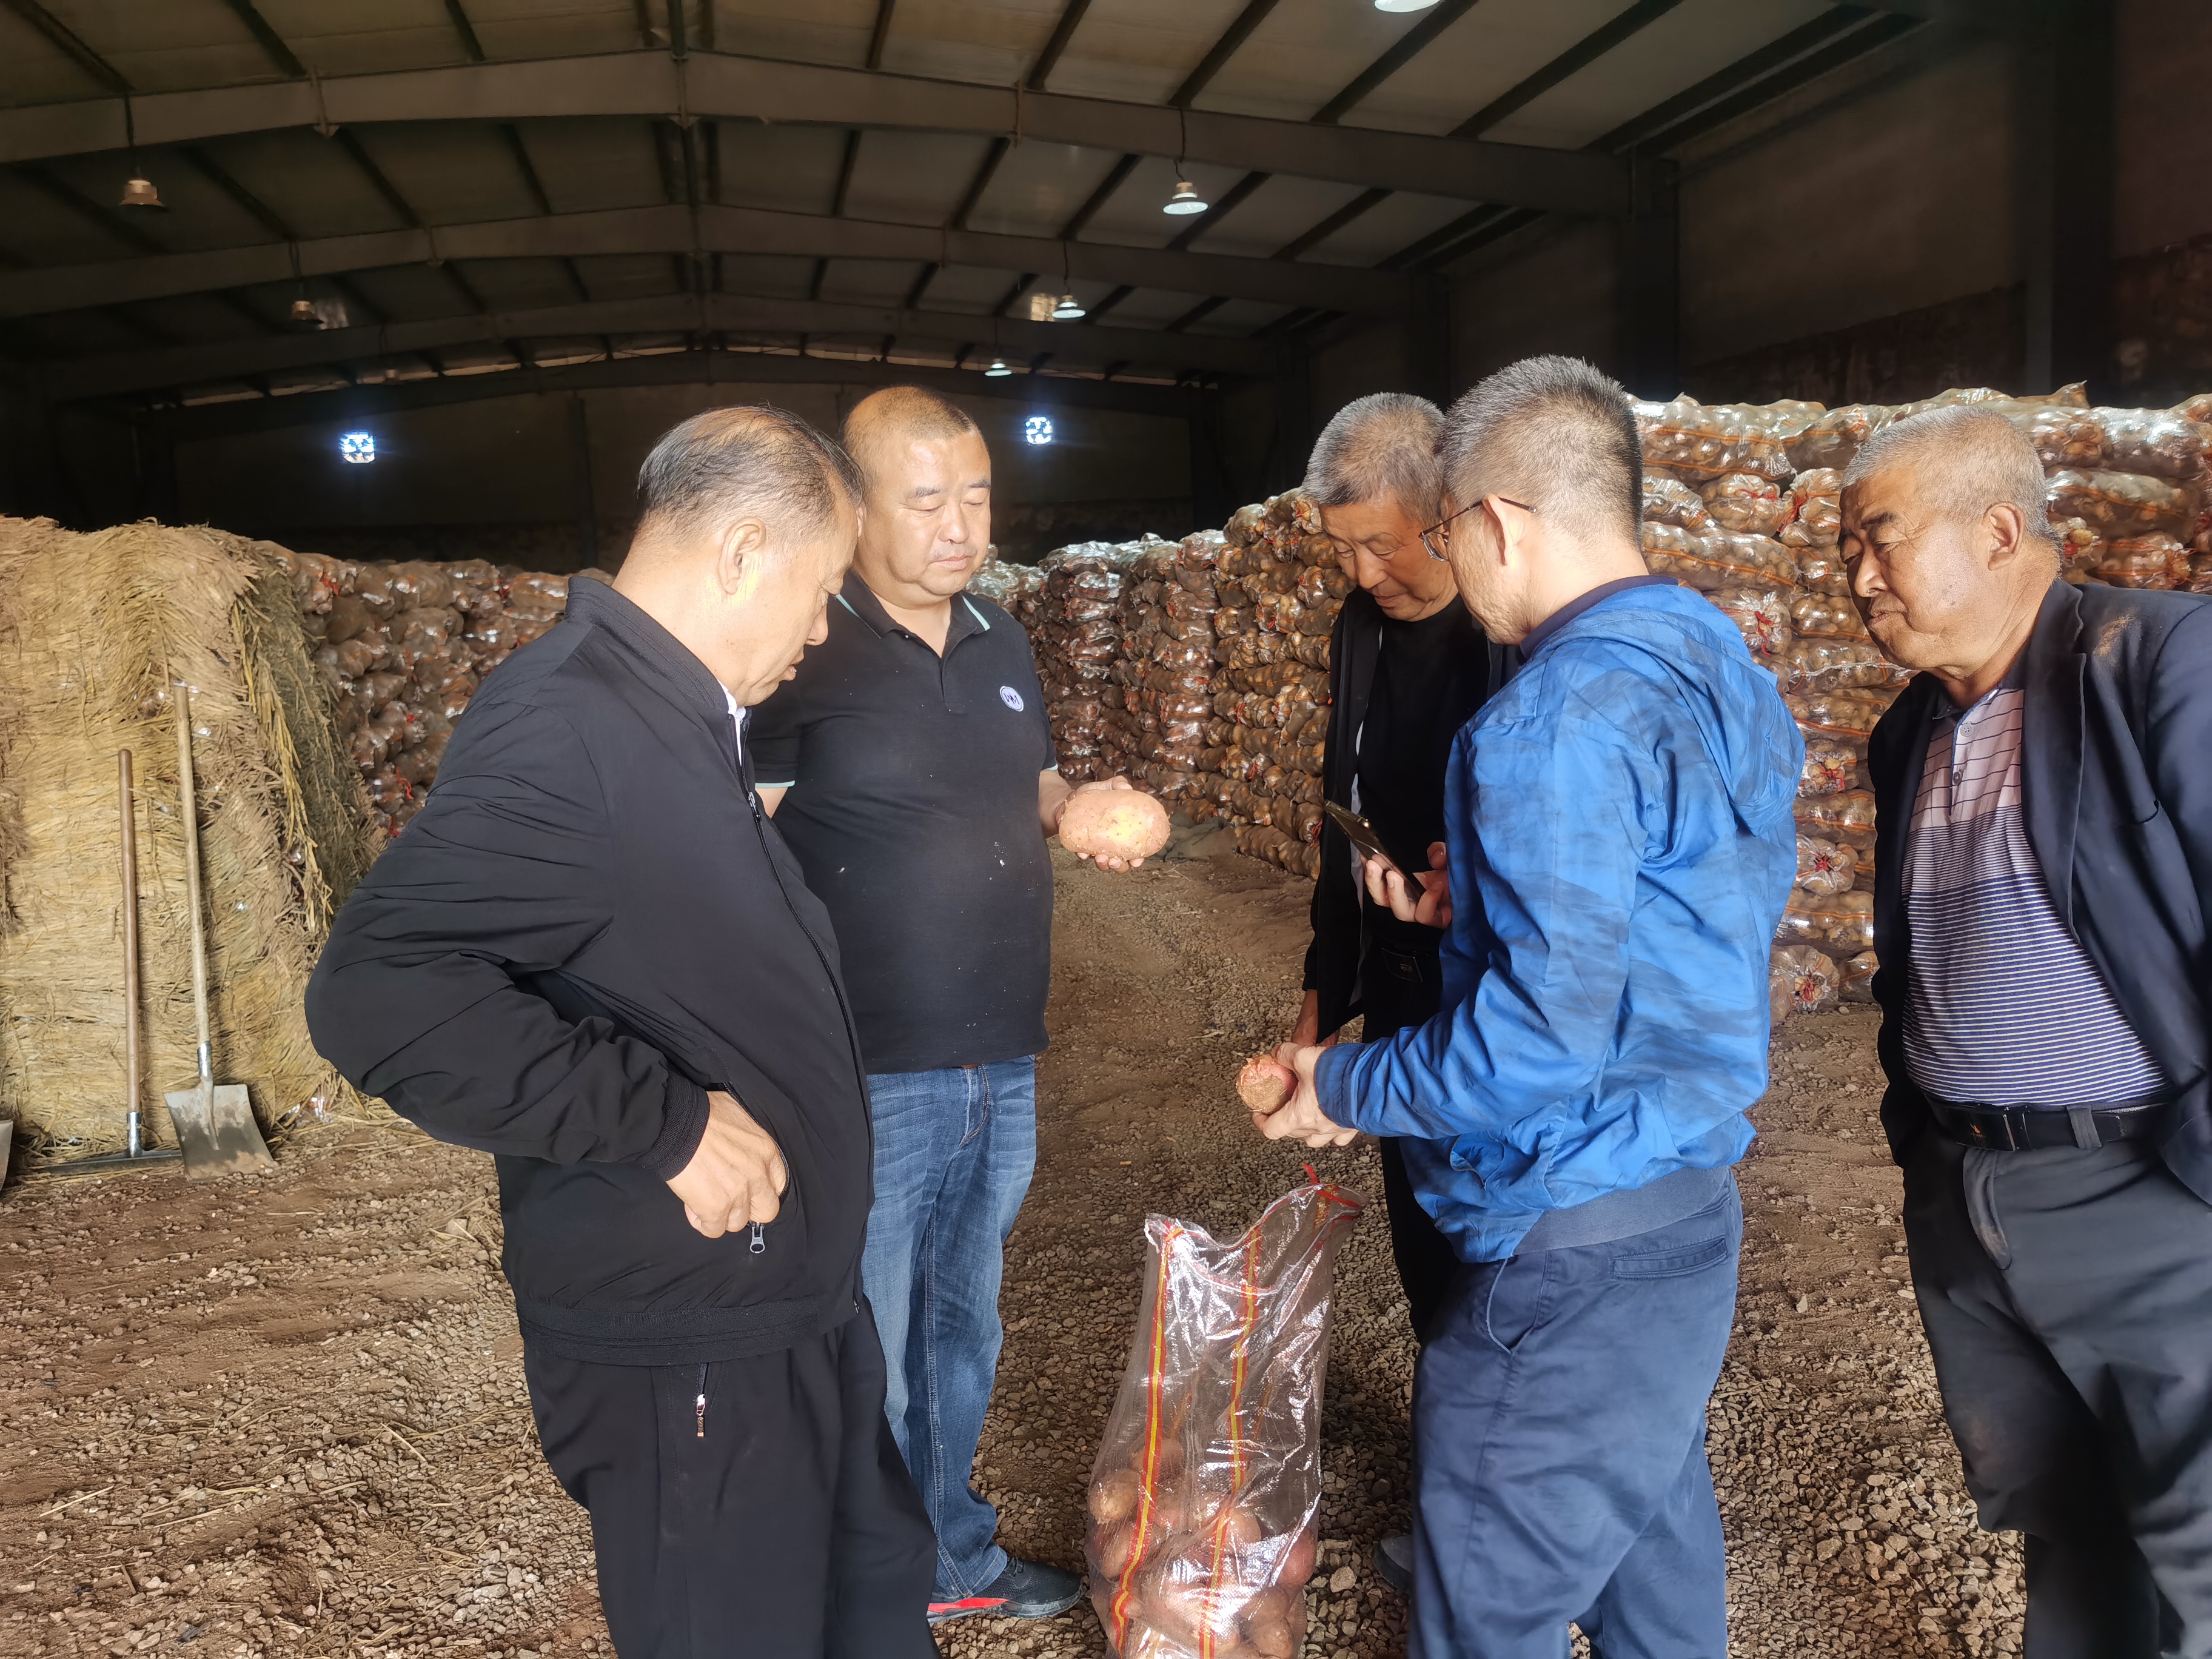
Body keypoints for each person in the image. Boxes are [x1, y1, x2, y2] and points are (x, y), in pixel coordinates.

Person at [306, 407, 937, 1659]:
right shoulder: (570, 724)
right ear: (743, 551)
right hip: (691, 1348)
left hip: (783, 1310)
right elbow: (376, 990)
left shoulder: (671, 714)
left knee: (867, 1610)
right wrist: (666, 1125)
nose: (822, 631)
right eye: (822, 592)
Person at [1257, 355, 1802, 1657]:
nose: (1444, 559)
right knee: (1653, 1564)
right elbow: (1680, 897)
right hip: (1684, 1207)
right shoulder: (1711, 652)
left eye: (1445, 530)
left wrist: (1339, 1085)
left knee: (1481, 1614)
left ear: (1498, 521)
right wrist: (1479, 910)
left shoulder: (1546, 716)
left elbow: (1537, 1047)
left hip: (1570, 1239)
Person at [748, 386, 1136, 1627]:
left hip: (999, 1054)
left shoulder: (998, 634)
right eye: (926, 502)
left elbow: (1029, 779)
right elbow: (734, 843)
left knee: (962, 1328)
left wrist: (1076, 806)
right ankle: (853, 1576)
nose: (961, 526)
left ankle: (948, 1559)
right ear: (857, 509)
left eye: (976, 496)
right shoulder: (804, 647)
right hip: (867, 1062)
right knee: (863, 1328)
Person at [1844, 407, 2212, 1658]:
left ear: (2000, 531)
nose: (1860, 578)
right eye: (1849, 553)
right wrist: (1927, 1146)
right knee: (2067, 1527)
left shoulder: (2157, 661)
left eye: (1881, 539)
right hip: (1974, 1197)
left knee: (2201, 1547)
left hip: (2151, 1194)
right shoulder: (1910, 730)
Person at [1292, 391, 1514, 1596]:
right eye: (1344, 550)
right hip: (1401, 983)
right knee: (1430, 1246)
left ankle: (1493, 1531)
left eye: (1381, 545)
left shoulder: (1516, 629)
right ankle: (1461, 1503)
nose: (1364, 574)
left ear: (1447, 513)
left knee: (1506, 1259)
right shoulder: (1360, 633)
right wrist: (1322, 1002)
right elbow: (1343, 816)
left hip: (1498, 1000)